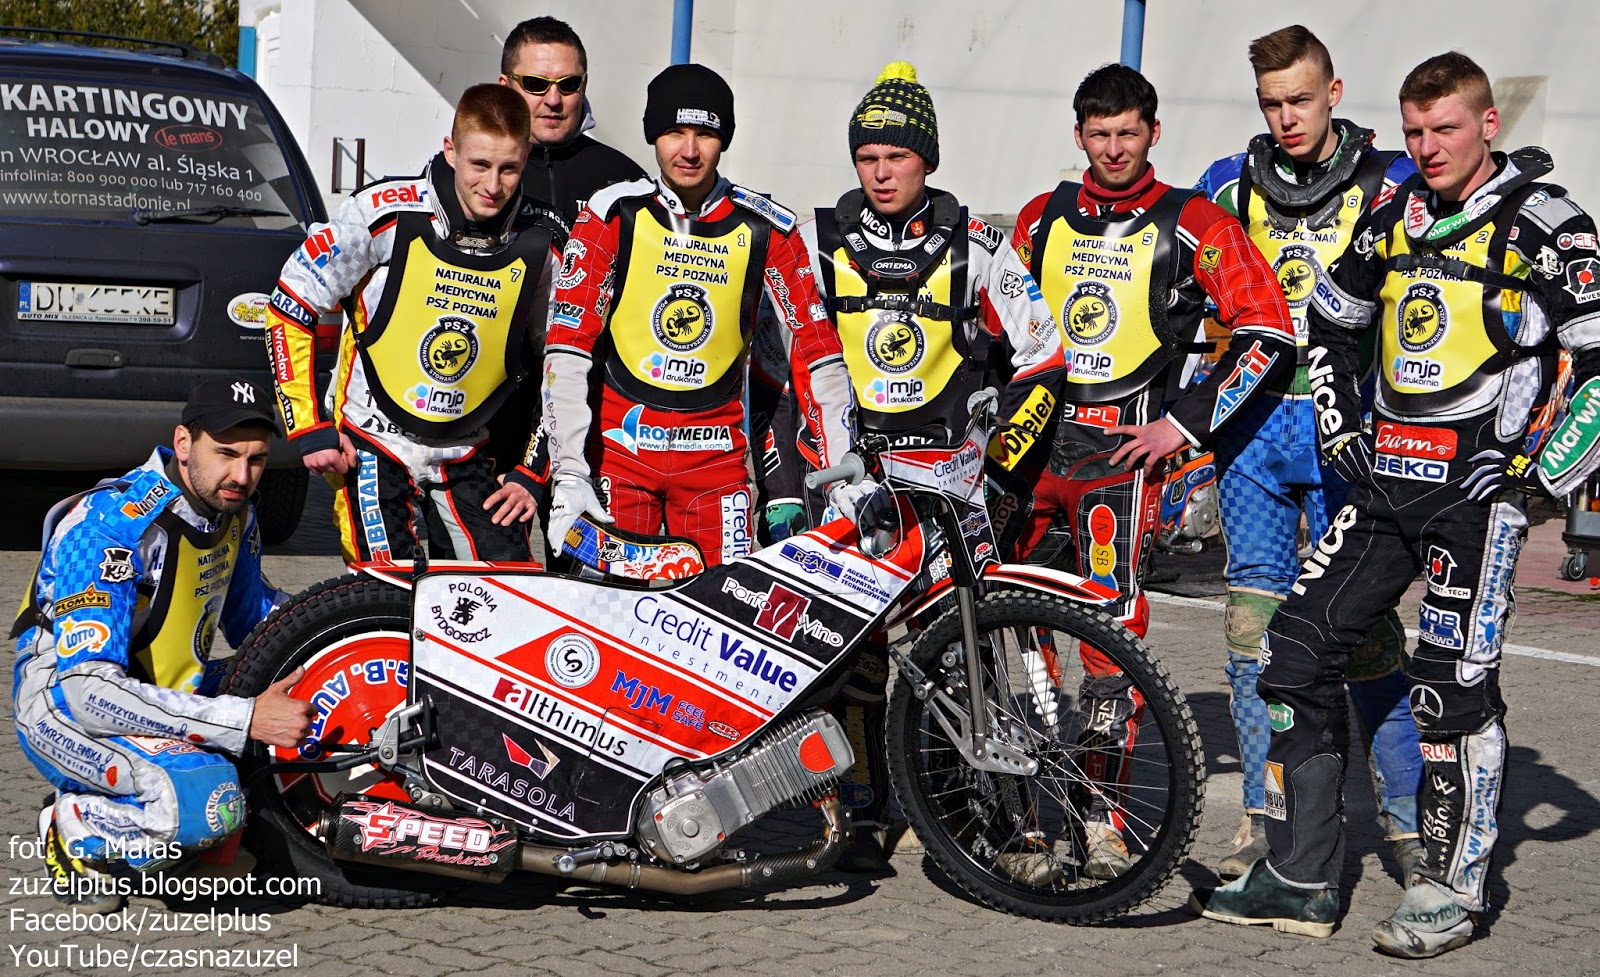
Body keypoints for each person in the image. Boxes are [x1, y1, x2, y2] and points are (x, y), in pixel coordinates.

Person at [1192, 52, 1600, 958]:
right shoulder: (1393, 212)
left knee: (1451, 691)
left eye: (1444, 128)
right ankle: (1301, 874)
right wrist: (1342, 427)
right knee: (1291, 653)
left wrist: (1538, 475)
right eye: (1414, 132)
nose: (1427, 147)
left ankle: (1451, 886)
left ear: (1488, 124)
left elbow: (1599, 362)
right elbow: (1330, 322)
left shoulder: (1547, 221)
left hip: (1477, 502)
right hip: (1384, 488)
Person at [1011, 63, 1296, 878]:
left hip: (1121, 462)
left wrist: (1185, 423)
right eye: (1098, 134)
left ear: (1153, 133)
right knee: (1017, 641)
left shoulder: (1195, 218)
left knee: (1110, 652)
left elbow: (1269, 329)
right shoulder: (1038, 218)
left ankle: (1103, 822)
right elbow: (992, 327)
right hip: (1030, 455)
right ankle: (1021, 820)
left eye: (1127, 133)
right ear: (1077, 135)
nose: (1112, 149)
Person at [787, 61, 1067, 868]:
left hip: (950, 484)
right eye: (867, 156)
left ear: (928, 159)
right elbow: (782, 364)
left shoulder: (978, 243)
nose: (880, 172)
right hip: (855, 481)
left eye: (897, 156)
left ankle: (984, 816)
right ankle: (861, 812)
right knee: (852, 653)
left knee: (965, 650)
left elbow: (1045, 356)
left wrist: (999, 467)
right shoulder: (815, 242)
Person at [1193, 24, 1424, 882]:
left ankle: (1407, 820)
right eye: (1271, 104)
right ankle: (1269, 813)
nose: (1286, 117)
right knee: (1251, 628)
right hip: (1253, 431)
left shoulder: (1391, 181)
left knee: (1362, 630)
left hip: (1346, 433)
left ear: (1334, 92)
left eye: (1300, 99)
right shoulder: (1225, 184)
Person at [11, 378, 314, 913]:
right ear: (183, 443)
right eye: (226, 454)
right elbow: (88, 691)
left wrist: (351, 629)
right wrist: (244, 720)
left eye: (257, 459)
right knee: (214, 804)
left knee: (313, 693)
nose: (241, 476)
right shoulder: (107, 528)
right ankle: (74, 825)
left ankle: (167, 807)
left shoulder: (235, 511)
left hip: (161, 687)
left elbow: (260, 626)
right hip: (64, 703)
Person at [540, 63, 861, 565]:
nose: (689, 151)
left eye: (705, 134)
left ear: (724, 139)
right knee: (607, 608)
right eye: (674, 132)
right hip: (619, 459)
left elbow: (818, 353)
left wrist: (844, 468)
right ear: (653, 134)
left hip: (716, 467)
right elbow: (568, 348)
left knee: (723, 608)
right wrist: (568, 473)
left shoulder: (767, 226)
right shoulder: (613, 213)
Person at [265, 84, 556, 564]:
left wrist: (533, 470)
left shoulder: (541, 242)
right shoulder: (383, 212)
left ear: (526, 157)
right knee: (386, 589)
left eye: (508, 168)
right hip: (371, 439)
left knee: (508, 588)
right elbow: (290, 303)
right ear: (450, 150)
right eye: (479, 164)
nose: (493, 185)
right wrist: (307, 425)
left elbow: (564, 359)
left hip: (466, 449)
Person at [489, 16, 648, 480]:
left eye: (569, 84)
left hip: (595, 417)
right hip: (491, 417)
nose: (553, 100)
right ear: (505, 86)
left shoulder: (625, 181)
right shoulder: (477, 173)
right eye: (536, 84)